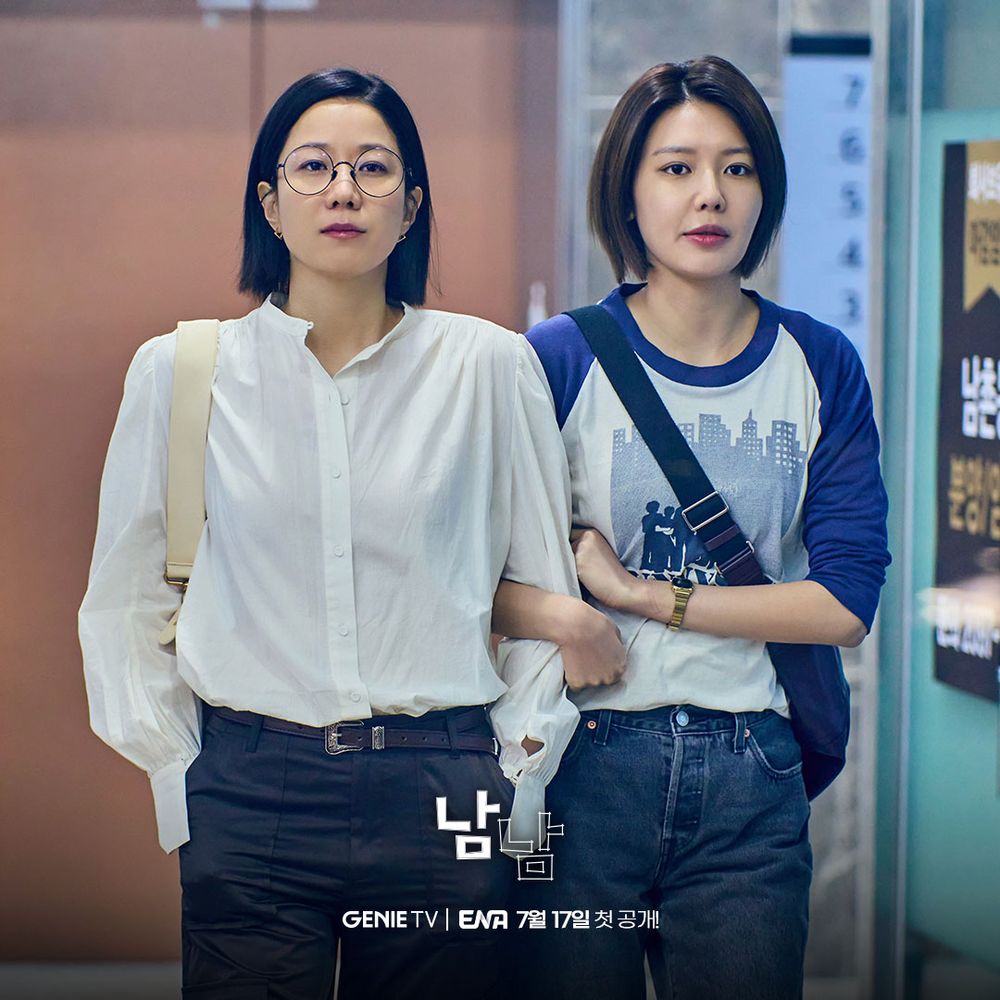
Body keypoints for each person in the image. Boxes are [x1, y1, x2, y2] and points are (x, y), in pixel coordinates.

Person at [79, 68, 623, 1000]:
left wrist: (518, 775)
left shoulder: (489, 367)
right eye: (313, 167)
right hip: (251, 786)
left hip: (444, 777)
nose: (343, 190)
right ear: (269, 202)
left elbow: (541, 575)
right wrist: (179, 777)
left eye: (374, 168)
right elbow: (126, 600)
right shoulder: (181, 371)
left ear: (410, 207)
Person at [494, 56, 890, 1000]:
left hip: (752, 773)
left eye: (737, 168)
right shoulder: (557, 359)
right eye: (676, 167)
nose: (710, 193)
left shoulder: (818, 361)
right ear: (628, 194)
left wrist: (640, 596)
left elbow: (844, 603)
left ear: (765, 193)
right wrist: (569, 617)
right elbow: (472, 573)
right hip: (579, 760)